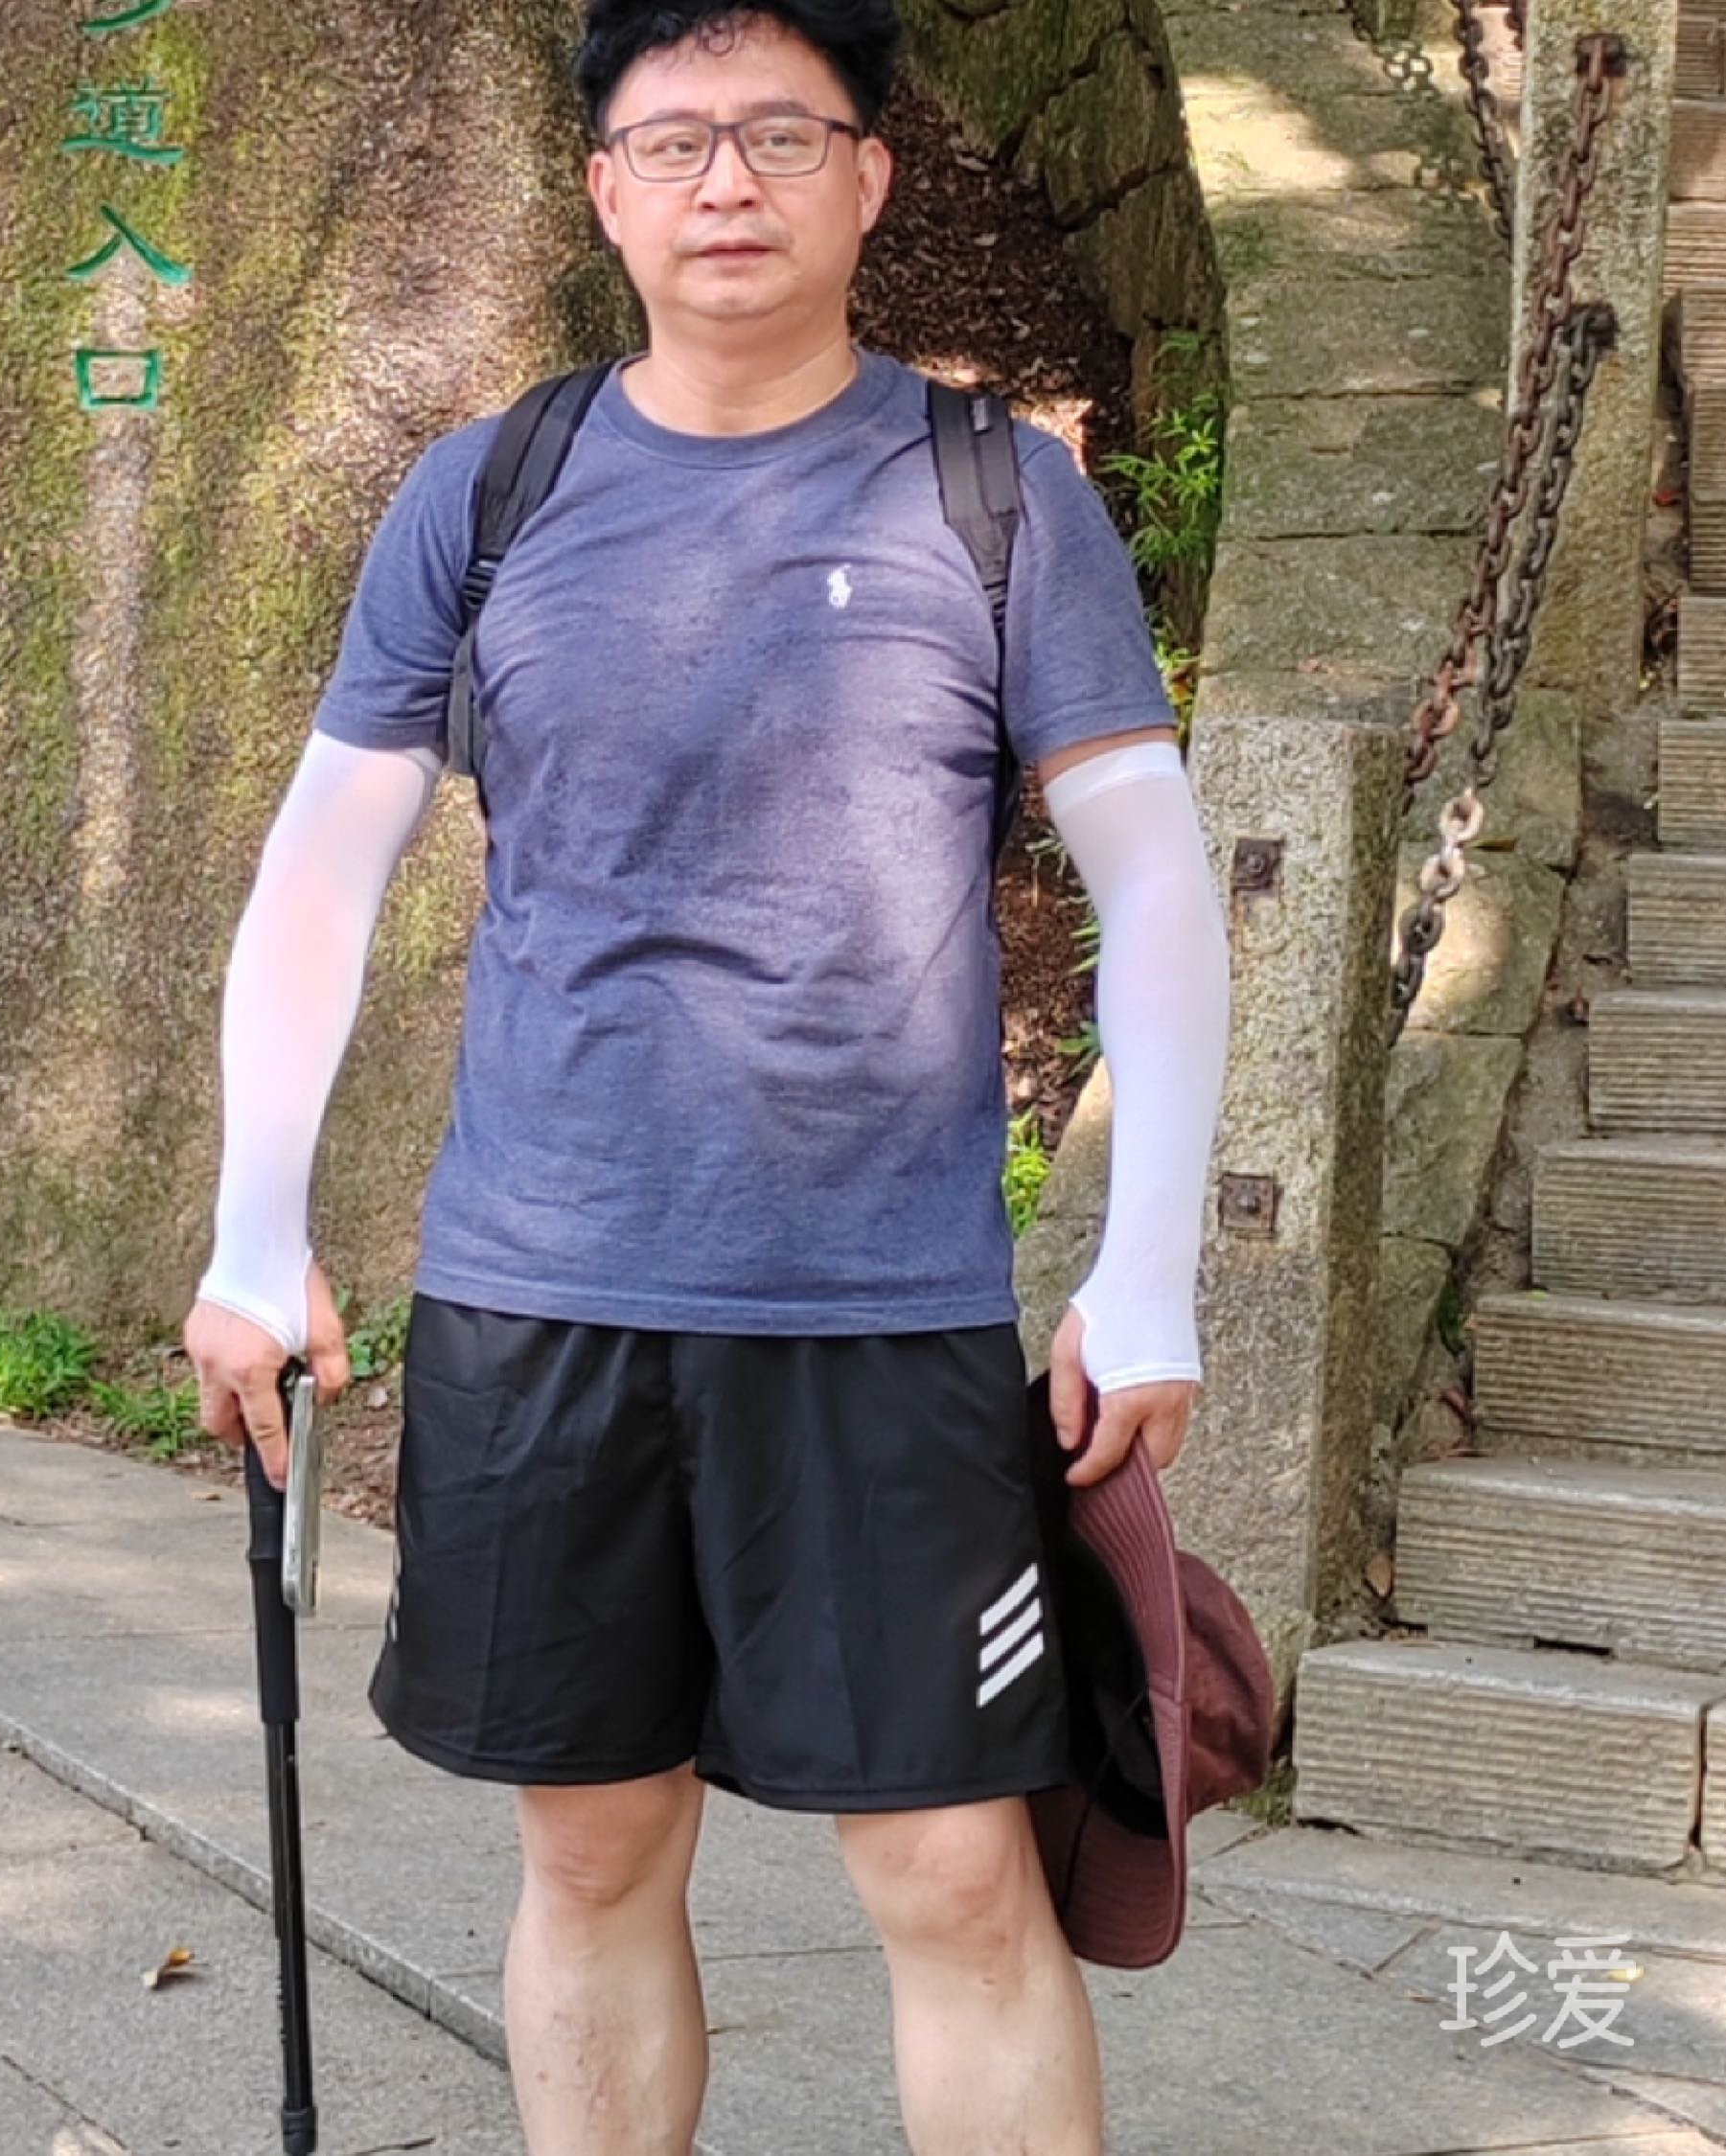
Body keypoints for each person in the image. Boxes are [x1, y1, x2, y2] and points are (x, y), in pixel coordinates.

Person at [184, 2, 1231, 2148]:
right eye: (672, 143)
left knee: (954, 1869)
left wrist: (1147, 1272)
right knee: (588, 1847)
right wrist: (253, 1229)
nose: (725, 183)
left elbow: (1151, 876)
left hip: (882, 1318)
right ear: (605, 192)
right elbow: (320, 866)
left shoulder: (993, 494)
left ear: (870, 174)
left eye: (780, 134)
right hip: (543, 1288)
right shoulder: (490, 490)